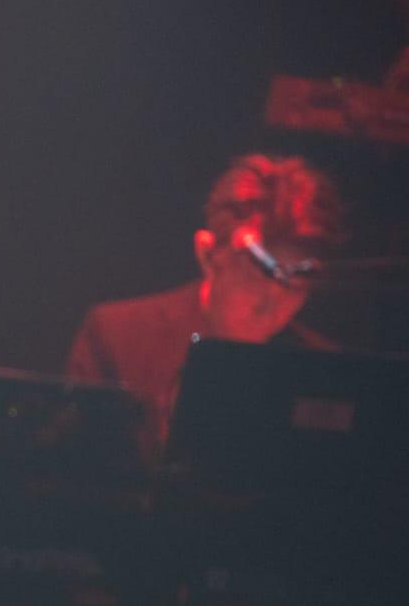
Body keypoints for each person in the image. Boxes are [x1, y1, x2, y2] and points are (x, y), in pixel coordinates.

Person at [66, 153, 346, 453]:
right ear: (208, 255)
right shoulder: (119, 337)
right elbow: (77, 463)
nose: (274, 299)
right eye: (258, 270)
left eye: (297, 279)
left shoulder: (322, 369)